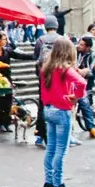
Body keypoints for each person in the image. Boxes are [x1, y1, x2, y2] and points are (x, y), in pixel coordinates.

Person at [40, 37, 86, 187]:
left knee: (51, 148)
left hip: (48, 109)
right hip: (62, 110)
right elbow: (82, 83)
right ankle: (58, 184)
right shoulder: (65, 69)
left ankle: (49, 182)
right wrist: (76, 96)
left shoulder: (46, 68)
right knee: (61, 149)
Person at [0, 31, 34, 132]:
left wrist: (33, 56)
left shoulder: (7, 51)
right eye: (4, 39)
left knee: (8, 102)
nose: (6, 41)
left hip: (7, 80)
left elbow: (19, 56)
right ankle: (1, 124)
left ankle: (7, 123)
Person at [33, 15, 59, 146]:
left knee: (42, 105)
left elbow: (36, 57)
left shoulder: (40, 40)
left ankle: (41, 133)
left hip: (44, 77)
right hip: (59, 77)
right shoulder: (62, 39)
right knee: (57, 104)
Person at [76, 37, 95, 139]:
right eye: (79, 44)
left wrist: (84, 71)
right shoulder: (74, 50)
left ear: (87, 47)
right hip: (70, 77)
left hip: (80, 80)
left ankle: (91, 128)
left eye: (82, 45)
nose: (79, 46)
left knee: (83, 101)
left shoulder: (91, 55)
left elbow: (89, 68)